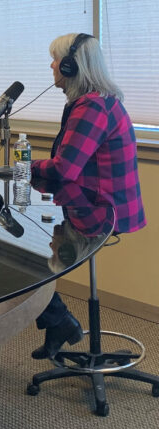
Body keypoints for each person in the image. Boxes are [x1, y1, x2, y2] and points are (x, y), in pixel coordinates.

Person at [28, 33, 145, 359]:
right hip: (96, 204)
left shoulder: (91, 107)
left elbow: (64, 168)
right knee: (10, 221)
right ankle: (57, 322)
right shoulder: (97, 101)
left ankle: (58, 319)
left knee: (14, 242)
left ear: (70, 66)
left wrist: (26, 166)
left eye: (56, 60)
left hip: (97, 213)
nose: (51, 66)